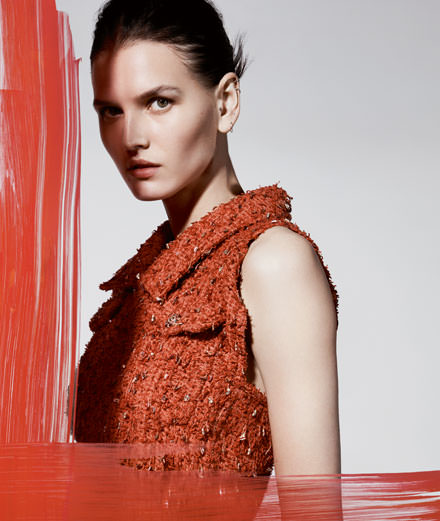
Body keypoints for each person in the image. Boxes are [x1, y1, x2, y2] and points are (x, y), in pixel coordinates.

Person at [74, 0, 340, 479]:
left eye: (159, 102)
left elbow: (314, 507)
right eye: (111, 110)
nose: (131, 136)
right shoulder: (138, 288)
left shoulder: (273, 264)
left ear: (225, 102)